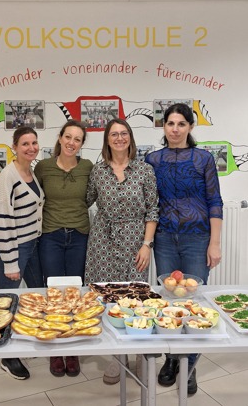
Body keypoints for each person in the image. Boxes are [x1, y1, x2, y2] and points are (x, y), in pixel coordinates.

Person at [145, 103, 223, 395]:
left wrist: (215, 243)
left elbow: (215, 201)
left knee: (194, 302)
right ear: (163, 127)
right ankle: (170, 359)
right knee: (168, 299)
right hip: (164, 238)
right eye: (170, 124)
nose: (175, 129)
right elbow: (149, 201)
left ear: (190, 127)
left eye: (181, 124)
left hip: (197, 238)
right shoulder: (153, 159)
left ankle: (189, 365)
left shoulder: (203, 159)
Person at [84, 118, 159, 384]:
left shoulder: (144, 170)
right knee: (108, 298)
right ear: (107, 140)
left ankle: (140, 355)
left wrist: (146, 244)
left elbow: (152, 209)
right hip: (102, 240)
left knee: (137, 298)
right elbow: (84, 200)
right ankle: (118, 358)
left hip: (135, 240)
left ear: (130, 138)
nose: (119, 138)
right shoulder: (98, 171)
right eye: (114, 134)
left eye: (123, 133)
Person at [34, 119, 93, 377]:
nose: (71, 143)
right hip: (51, 236)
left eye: (77, 139)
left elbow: (91, 196)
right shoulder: (43, 167)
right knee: (54, 293)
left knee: (75, 293)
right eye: (68, 137)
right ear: (60, 138)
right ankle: (55, 348)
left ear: (82, 144)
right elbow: (35, 197)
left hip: (79, 235)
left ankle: (73, 348)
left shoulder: (88, 167)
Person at [0, 126, 45, 380]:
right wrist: (10, 262)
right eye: (25, 143)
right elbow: (3, 220)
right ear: (14, 147)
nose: (31, 148)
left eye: (34, 143)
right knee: (8, 302)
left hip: (33, 244)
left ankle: (24, 341)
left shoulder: (30, 172)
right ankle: (7, 357)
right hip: (14, 249)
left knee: (35, 295)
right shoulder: (7, 176)